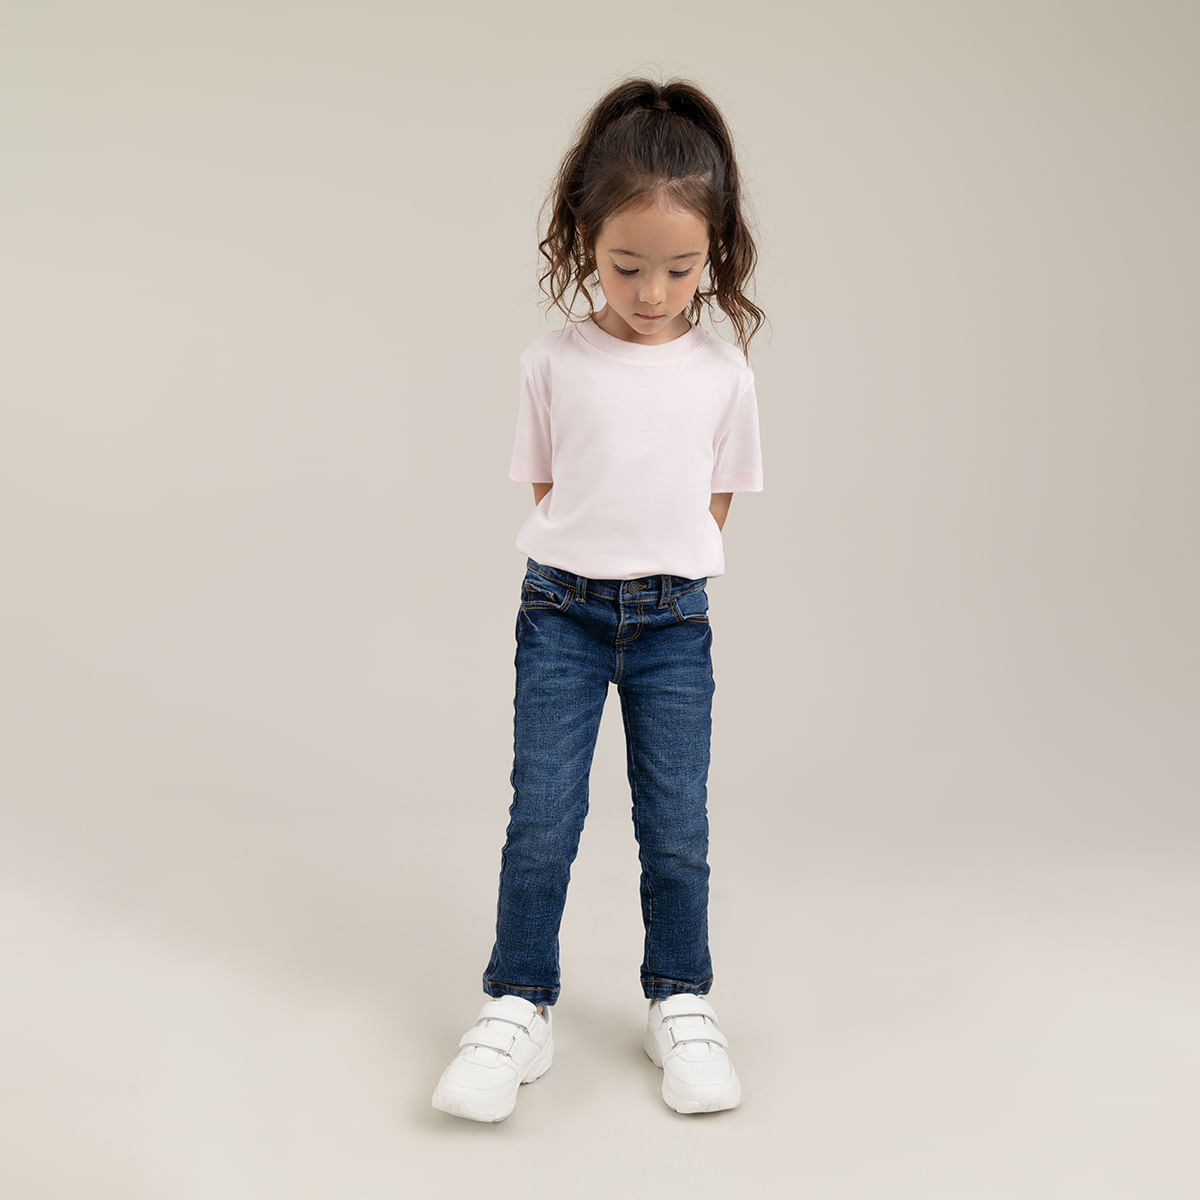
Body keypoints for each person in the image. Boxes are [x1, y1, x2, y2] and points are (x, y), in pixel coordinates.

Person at [432, 76, 765, 1123]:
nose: (653, 292)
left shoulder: (724, 373)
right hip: (561, 617)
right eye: (627, 266)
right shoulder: (552, 362)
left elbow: (716, 496)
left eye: (680, 268)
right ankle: (517, 1004)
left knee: (676, 825)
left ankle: (681, 998)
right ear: (585, 240)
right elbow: (549, 483)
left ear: (715, 253)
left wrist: (660, 565)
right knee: (543, 816)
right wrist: (595, 561)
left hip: (673, 624)